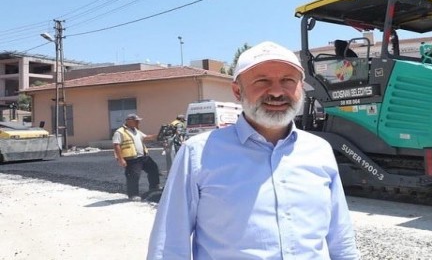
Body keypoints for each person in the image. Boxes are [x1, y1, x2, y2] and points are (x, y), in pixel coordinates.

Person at [147, 41, 360, 259]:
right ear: (237, 91)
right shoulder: (198, 154)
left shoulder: (319, 150)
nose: (277, 92)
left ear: (301, 88)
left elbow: (340, 238)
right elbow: (169, 245)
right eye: (262, 81)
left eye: (288, 80)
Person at [112, 113, 161, 201]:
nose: (138, 122)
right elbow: (116, 145)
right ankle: (133, 195)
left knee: (153, 169)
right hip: (132, 159)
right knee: (133, 176)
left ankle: (154, 187)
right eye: (136, 121)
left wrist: (158, 135)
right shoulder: (120, 132)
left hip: (143, 157)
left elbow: (145, 137)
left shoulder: (136, 130)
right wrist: (121, 159)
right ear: (129, 121)